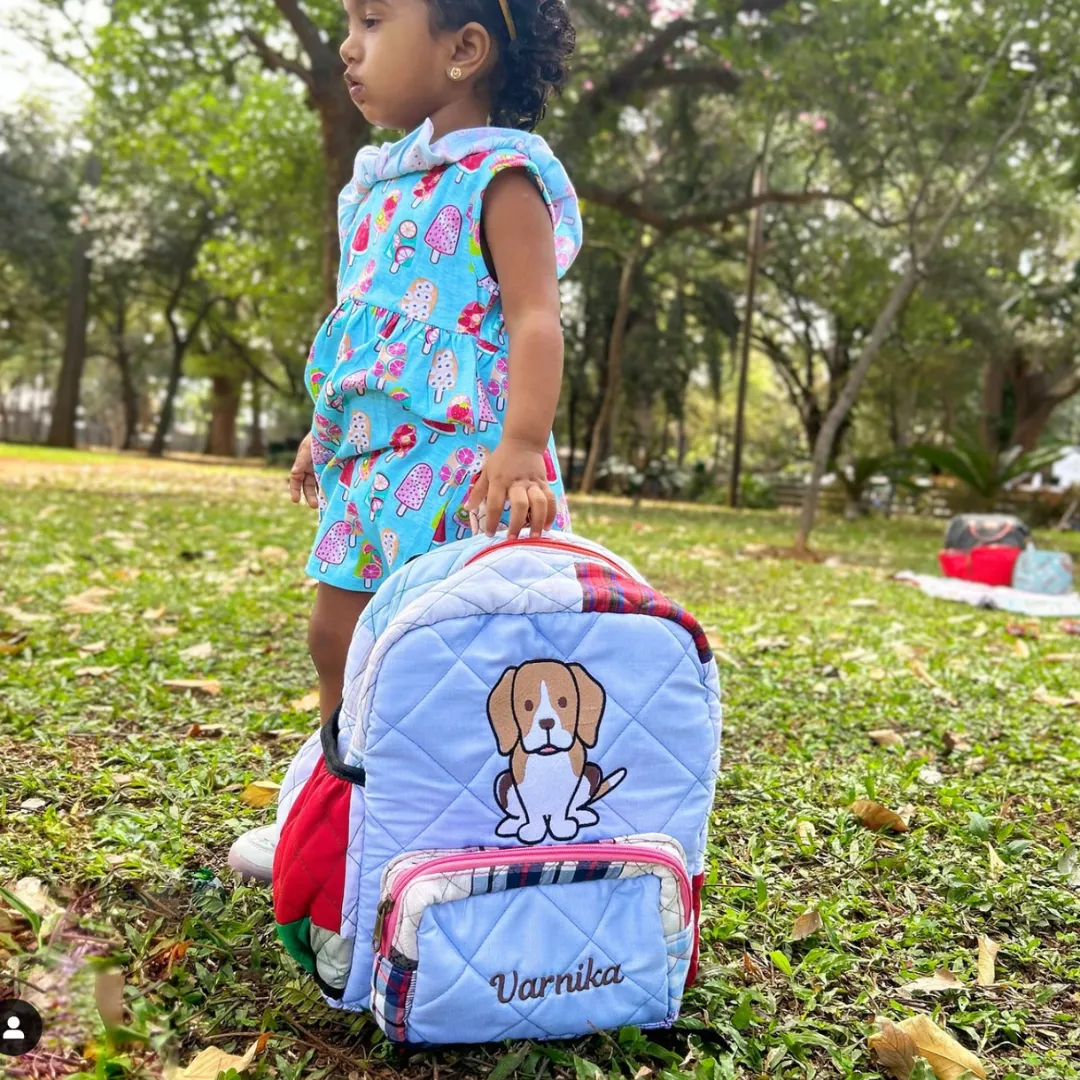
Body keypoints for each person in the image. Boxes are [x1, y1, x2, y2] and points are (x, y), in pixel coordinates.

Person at [228, 0, 581, 880]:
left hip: (463, 468)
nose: (350, 44)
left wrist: (523, 445)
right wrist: (326, 429)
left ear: (464, 50)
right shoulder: (377, 187)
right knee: (333, 633)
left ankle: (448, 830)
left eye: (374, 20)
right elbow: (367, 331)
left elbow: (537, 318)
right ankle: (336, 807)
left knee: (447, 650)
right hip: (367, 473)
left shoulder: (501, 178)